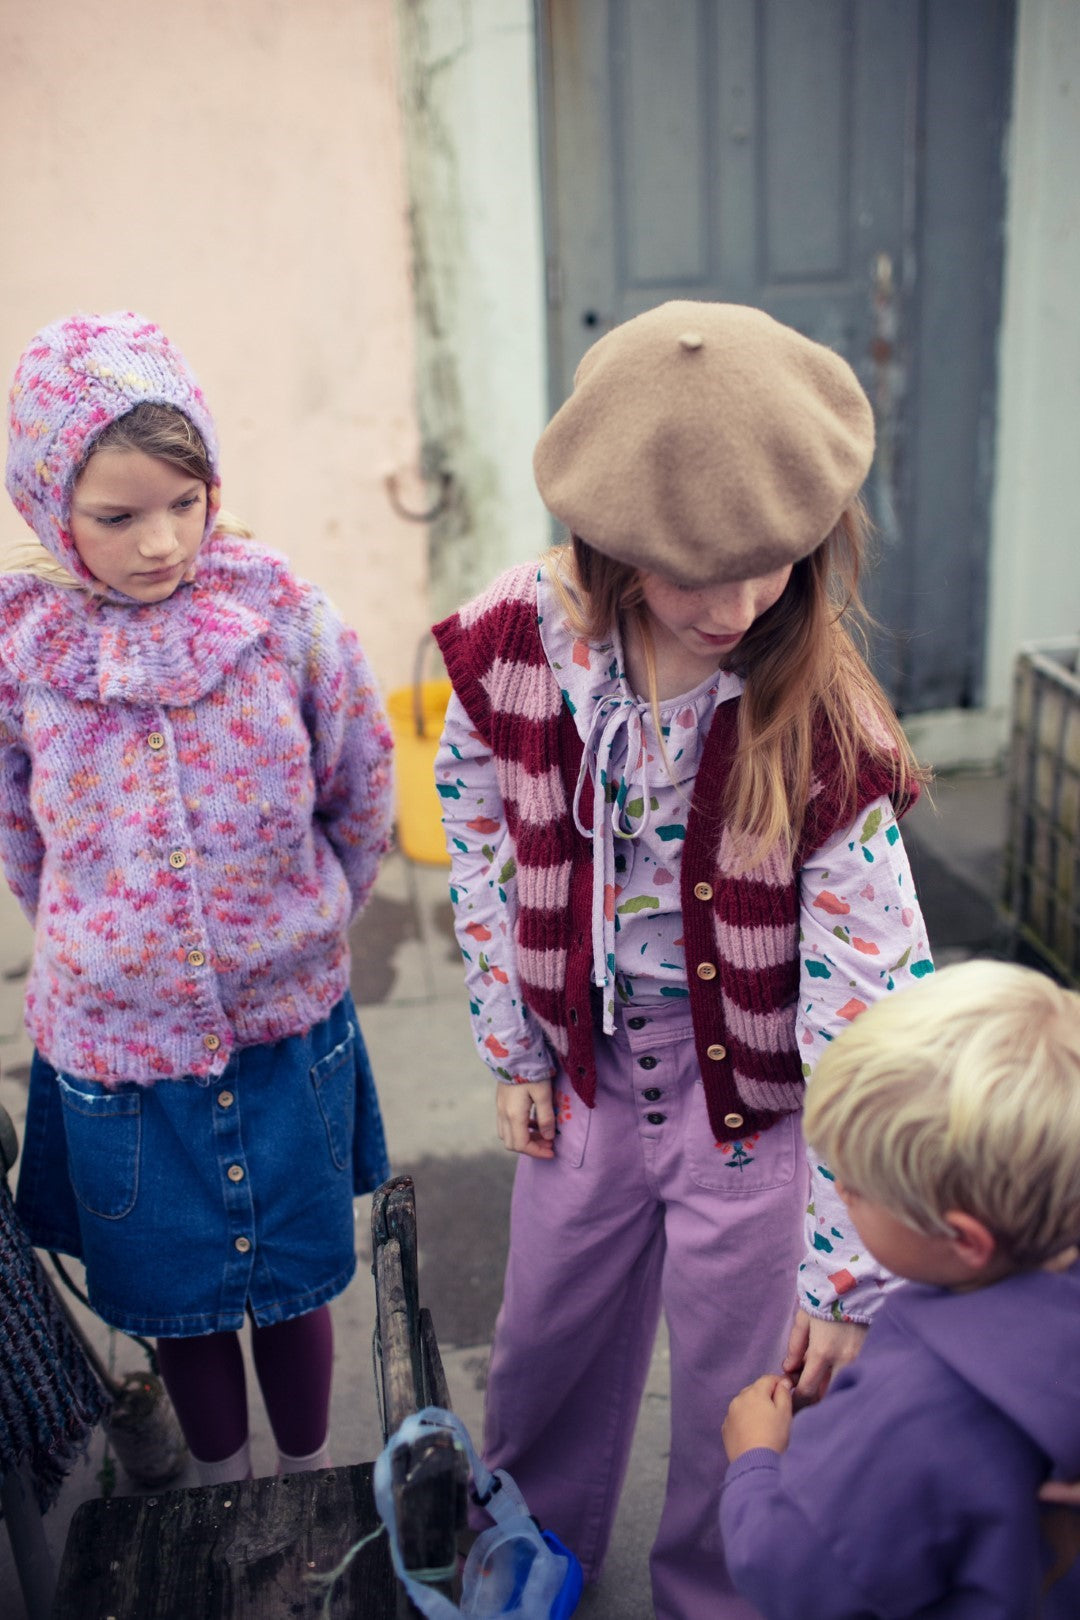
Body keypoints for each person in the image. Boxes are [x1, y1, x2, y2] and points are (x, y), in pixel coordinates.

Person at [432, 300, 933, 1620]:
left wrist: (846, 1266)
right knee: (544, 1343)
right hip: (590, 1076)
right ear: (608, 543)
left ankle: (719, 1592)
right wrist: (517, 1041)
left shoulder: (823, 721)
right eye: (691, 572)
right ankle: (526, 1560)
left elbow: (871, 1002)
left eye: (770, 564)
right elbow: (473, 809)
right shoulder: (521, 643)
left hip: (757, 1118)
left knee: (747, 1379)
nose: (737, 604)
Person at [2, 311, 394, 1484]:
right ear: (46, 506)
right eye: (117, 516)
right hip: (118, 1056)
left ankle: (309, 1477)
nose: (160, 542)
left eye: (185, 500)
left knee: (292, 1284)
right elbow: (20, 831)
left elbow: (363, 784)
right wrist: (98, 945)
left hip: (286, 1027)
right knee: (179, 1303)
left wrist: (309, 921)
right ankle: (219, 1498)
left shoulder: (284, 621)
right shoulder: (22, 653)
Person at [720, 960, 1080, 1619]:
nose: (840, 1195)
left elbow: (794, 1574)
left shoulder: (915, 1404)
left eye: (855, 1187)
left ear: (964, 1239)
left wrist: (756, 1461)